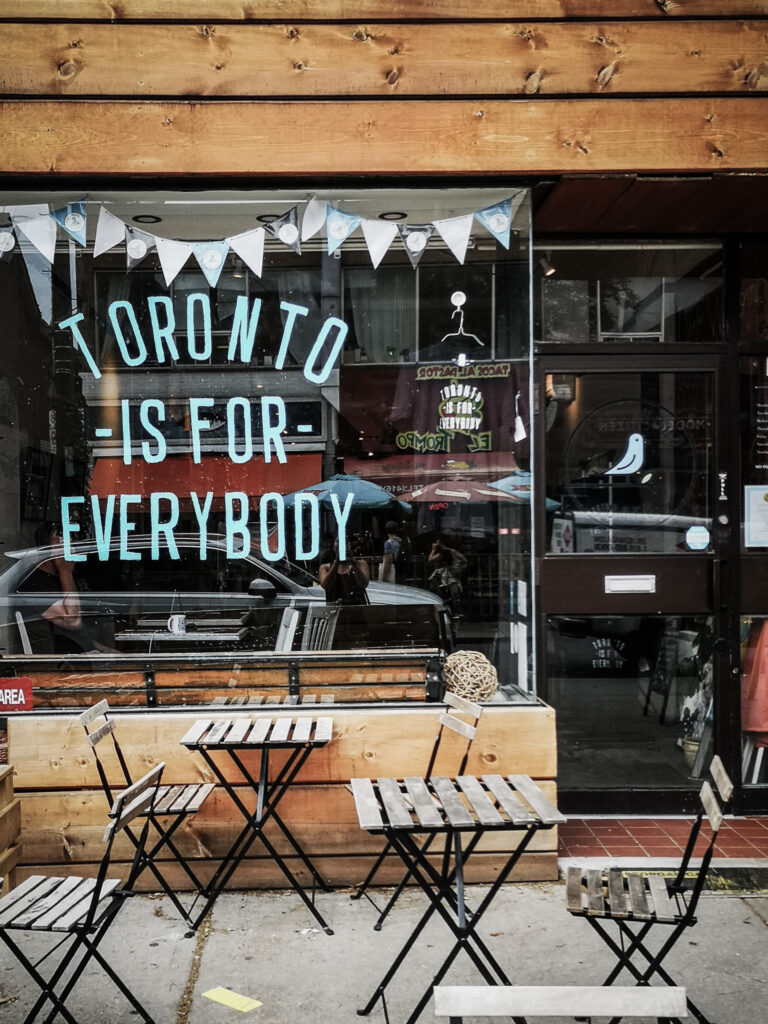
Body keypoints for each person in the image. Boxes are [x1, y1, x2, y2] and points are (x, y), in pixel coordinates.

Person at [318, 535, 370, 605]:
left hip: (357, 608)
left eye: (346, 542)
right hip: (334, 609)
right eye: (338, 542)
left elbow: (363, 584)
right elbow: (326, 585)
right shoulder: (325, 567)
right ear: (333, 545)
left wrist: (353, 561)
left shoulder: (361, 564)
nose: (342, 545)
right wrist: (337, 561)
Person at [428, 537, 467, 616]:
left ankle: (452, 612)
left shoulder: (444, 551)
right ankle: (456, 612)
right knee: (453, 594)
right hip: (451, 576)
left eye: (437, 541)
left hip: (447, 576)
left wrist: (433, 549)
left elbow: (431, 560)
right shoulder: (450, 550)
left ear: (440, 541)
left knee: (446, 594)